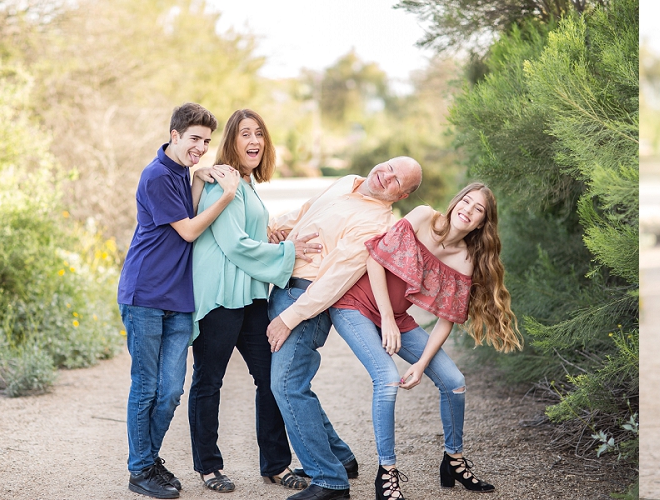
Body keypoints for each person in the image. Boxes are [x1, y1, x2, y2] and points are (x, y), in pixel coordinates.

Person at [329, 182, 521, 499]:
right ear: (455, 200)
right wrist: (387, 319)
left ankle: (453, 461)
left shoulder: (465, 258)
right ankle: (387, 473)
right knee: (388, 379)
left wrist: (421, 364)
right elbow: (374, 259)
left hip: (398, 320)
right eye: (466, 201)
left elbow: (446, 318)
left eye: (478, 210)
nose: (468, 210)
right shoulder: (422, 217)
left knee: (454, 380)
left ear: (482, 223)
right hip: (356, 306)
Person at [263, 156, 423, 500]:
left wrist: (289, 317)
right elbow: (307, 211)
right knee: (294, 381)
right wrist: (277, 229)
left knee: (287, 384)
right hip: (284, 283)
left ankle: (330, 480)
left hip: (306, 299)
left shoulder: (375, 224)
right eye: (389, 166)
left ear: (400, 196)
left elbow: (335, 278)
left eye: (397, 180)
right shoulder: (347, 181)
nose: (386, 175)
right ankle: (340, 457)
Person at [186, 109, 323, 493]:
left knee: (269, 378)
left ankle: (276, 466)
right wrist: (290, 253)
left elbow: (247, 236)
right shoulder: (222, 182)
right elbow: (232, 244)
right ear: (232, 140)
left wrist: (272, 237)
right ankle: (208, 467)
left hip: (249, 296)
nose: (254, 140)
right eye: (245, 133)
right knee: (209, 381)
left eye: (259, 133)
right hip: (219, 297)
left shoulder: (245, 182)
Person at [117, 102, 239, 499]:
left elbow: (187, 205)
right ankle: (141, 469)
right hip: (146, 295)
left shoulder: (181, 171)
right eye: (194, 140)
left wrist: (200, 178)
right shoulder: (155, 175)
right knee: (147, 386)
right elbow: (188, 230)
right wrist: (225, 196)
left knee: (170, 390)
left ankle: (148, 460)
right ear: (174, 135)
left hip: (179, 300)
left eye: (206, 141)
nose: (201, 147)